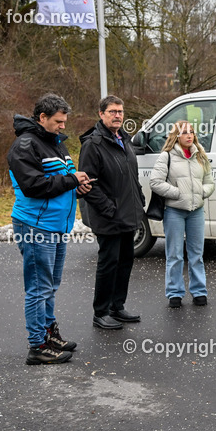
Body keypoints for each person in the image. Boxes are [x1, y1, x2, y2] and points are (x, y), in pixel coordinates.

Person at [7, 93, 92, 364]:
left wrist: (77, 188)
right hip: (35, 226)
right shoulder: (24, 145)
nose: (63, 126)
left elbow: (61, 182)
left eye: (65, 121)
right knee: (38, 288)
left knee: (50, 286)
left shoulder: (55, 144)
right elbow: (34, 187)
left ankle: (49, 333)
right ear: (42, 118)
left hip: (56, 226)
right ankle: (37, 346)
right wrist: (69, 180)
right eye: (58, 121)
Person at [79, 95, 145, 331]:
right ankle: (101, 311)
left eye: (120, 111)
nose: (118, 115)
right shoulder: (93, 144)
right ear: (101, 114)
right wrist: (108, 208)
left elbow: (130, 175)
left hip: (128, 212)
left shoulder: (124, 140)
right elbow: (88, 184)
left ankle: (117, 306)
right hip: (108, 216)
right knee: (109, 263)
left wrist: (139, 197)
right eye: (112, 111)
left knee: (125, 261)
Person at [149, 120, 216, 308]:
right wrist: (178, 193)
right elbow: (155, 182)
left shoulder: (200, 155)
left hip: (196, 212)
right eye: (185, 132)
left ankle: (199, 291)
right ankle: (175, 293)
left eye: (192, 132)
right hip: (174, 212)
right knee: (175, 255)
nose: (189, 135)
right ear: (176, 136)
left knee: (197, 254)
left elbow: (210, 182)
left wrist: (202, 192)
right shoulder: (166, 156)